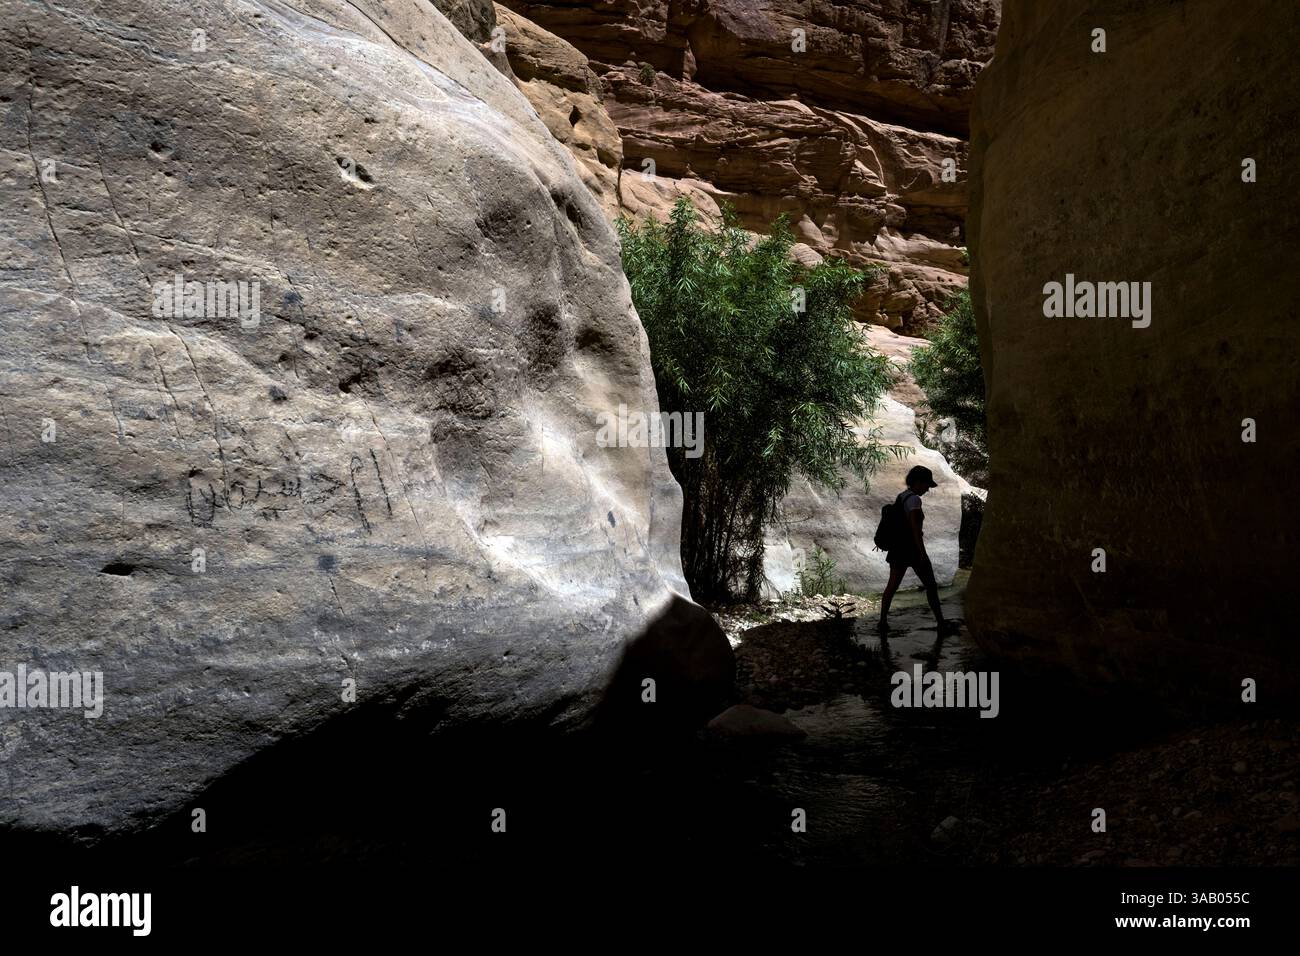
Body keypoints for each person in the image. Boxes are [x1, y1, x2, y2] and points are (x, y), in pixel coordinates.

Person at [879, 465, 952, 633]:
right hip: (911, 550)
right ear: (918, 482)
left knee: (892, 586)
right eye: (926, 485)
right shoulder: (914, 500)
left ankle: (882, 621)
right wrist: (922, 554)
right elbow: (915, 530)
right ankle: (941, 623)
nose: (927, 489)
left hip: (897, 550)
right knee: (931, 586)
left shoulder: (902, 496)